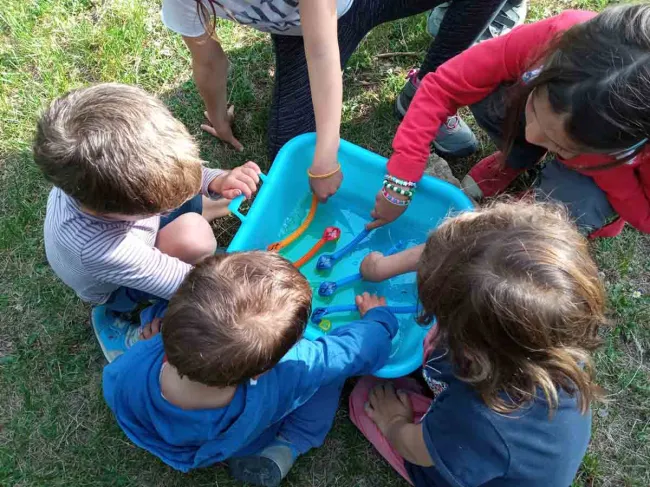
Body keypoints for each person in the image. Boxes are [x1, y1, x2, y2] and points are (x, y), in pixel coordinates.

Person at [352, 201, 606, 486]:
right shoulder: (551, 335)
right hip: (493, 435)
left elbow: (418, 450)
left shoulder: (480, 419)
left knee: (364, 394)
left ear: (472, 351)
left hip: (473, 458)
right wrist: (383, 267)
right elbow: (450, 254)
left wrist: (394, 423)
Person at [103, 251, 400, 487]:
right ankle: (289, 444)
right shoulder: (290, 371)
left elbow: (116, 384)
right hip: (245, 439)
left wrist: (149, 343)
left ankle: (129, 336)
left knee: (153, 317)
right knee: (328, 377)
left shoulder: (129, 371)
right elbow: (345, 353)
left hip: (165, 435)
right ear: (260, 370)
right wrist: (379, 322)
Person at [161, 0, 508, 201]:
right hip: (301, 28)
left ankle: (431, 88)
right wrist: (217, 117)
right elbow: (208, 60)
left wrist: (327, 157)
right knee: (290, 155)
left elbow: (322, 52)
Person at [369, 5, 650, 238]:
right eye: (537, 111)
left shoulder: (632, 158)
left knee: (575, 206)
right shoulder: (558, 40)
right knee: (497, 95)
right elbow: (442, 86)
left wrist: (611, 181)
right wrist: (400, 183)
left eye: (560, 144)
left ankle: (562, 198)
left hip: (609, 177)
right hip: (600, 160)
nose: (532, 133)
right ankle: (515, 159)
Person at [33, 83, 261, 361]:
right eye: (163, 205)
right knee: (195, 238)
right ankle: (124, 331)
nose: (172, 202)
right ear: (119, 211)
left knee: (188, 206)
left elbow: (172, 173)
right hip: (118, 287)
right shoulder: (99, 247)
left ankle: (206, 207)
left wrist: (214, 179)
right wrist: (246, 293)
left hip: (137, 229)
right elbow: (182, 281)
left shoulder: (92, 181)